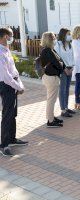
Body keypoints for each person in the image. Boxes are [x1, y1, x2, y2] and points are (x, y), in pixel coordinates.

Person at [0, 27, 28, 157]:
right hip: (6, 86)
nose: (12, 38)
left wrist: (19, 84)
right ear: (5, 36)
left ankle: (12, 138)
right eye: (10, 36)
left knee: (13, 113)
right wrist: (18, 86)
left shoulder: (6, 50)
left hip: (12, 85)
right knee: (7, 114)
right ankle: (4, 144)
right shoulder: (0, 52)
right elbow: (6, 76)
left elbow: (14, 70)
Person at [40, 32, 66, 128]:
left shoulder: (49, 50)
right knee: (51, 100)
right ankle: (50, 121)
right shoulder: (47, 51)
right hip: (51, 78)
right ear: (50, 39)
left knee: (51, 99)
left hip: (50, 77)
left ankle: (51, 117)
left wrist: (61, 64)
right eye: (54, 38)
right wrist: (61, 65)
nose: (55, 39)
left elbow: (60, 61)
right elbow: (58, 63)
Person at [55, 28, 75, 118]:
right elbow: (58, 58)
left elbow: (72, 56)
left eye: (70, 34)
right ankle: (63, 109)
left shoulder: (70, 45)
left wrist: (72, 67)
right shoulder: (58, 44)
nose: (69, 35)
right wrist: (65, 68)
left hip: (70, 69)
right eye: (68, 34)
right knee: (62, 89)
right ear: (63, 35)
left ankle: (66, 107)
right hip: (62, 70)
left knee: (67, 89)